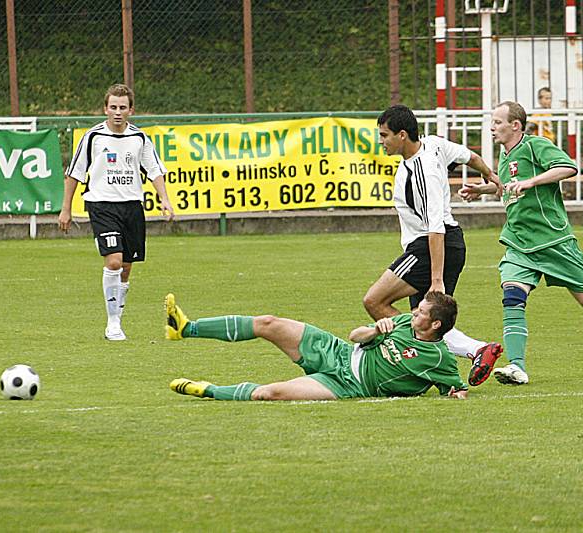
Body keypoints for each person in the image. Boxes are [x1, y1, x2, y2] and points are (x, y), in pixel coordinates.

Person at [459, 100, 583, 386]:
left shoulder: (536, 145)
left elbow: (568, 167)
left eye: (497, 122)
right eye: (492, 122)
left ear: (515, 125)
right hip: (519, 242)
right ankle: (517, 366)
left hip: (554, 240)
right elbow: (507, 185)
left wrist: (532, 182)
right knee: (512, 297)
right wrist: (484, 189)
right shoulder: (505, 152)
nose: (492, 127)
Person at [363, 104, 503, 386]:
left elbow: (434, 226)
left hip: (431, 247)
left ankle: (415, 358)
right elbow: (469, 156)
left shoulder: (423, 173)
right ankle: (477, 350)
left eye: (384, 135)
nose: (381, 141)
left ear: (402, 135)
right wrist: (490, 175)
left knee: (375, 301)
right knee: (425, 320)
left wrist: (436, 280)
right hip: (446, 246)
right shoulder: (434, 144)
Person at [164, 291, 470, 401]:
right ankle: (185, 328)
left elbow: (456, 389)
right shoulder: (402, 322)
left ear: (435, 325)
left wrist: (458, 393)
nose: (414, 312)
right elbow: (354, 336)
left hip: (349, 385)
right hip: (337, 351)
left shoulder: (438, 358)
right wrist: (374, 329)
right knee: (269, 323)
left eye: (421, 313)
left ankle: (208, 390)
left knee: (271, 392)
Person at [58, 84, 174, 341]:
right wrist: (66, 209)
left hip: (132, 206)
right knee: (113, 261)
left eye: (123, 107)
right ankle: (112, 324)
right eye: (113, 107)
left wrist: (164, 198)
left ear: (131, 110)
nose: (118, 112)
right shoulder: (93, 137)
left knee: (125, 268)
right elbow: (74, 174)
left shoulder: (139, 138)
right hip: (101, 205)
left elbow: (154, 170)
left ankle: (117, 319)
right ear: (105, 109)